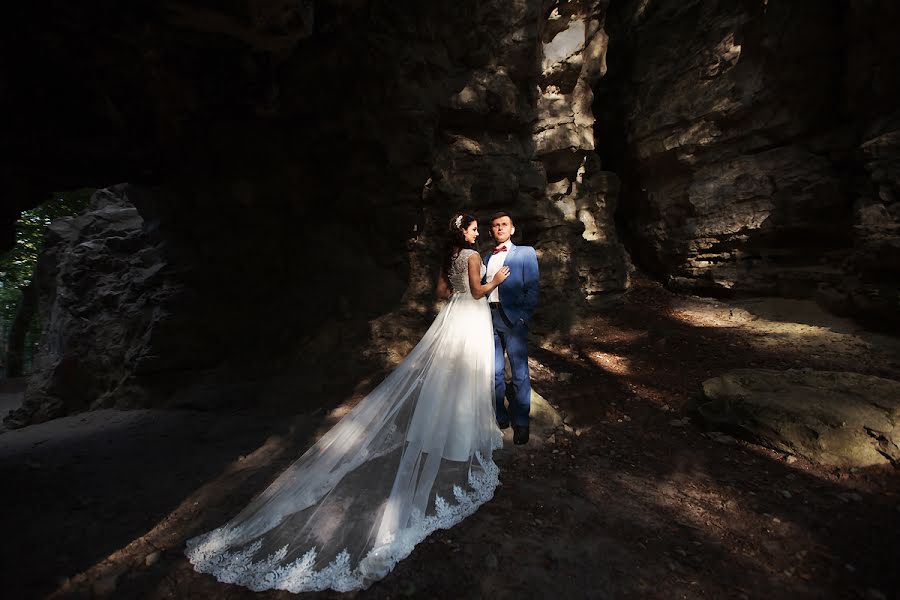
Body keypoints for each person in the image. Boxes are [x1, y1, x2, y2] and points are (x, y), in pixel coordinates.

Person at [185, 213, 509, 593]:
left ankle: (438, 431)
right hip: (469, 316)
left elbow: (441, 293)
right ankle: (459, 438)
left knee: (446, 377)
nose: (476, 231)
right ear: (464, 231)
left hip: (451, 318)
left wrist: (464, 288)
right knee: (465, 373)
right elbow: (475, 292)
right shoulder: (471, 255)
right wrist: (495, 281)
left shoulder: (450, 256)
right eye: (473, 227)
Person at [482, 211, 539, 445]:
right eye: (496, 225)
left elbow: (533, 287)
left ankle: (522, 423)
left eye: (504, 224)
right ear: (491, 231)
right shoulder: (485, 257)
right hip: (488, 319)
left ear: (512, 229)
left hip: (514, 321)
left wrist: (524, 318)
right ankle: (500, 415)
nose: (500, 228)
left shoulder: (525, 253)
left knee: (519, 373)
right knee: (494, 373)